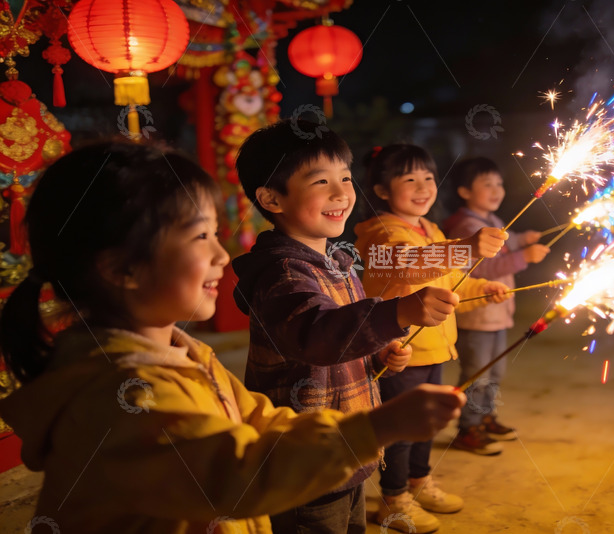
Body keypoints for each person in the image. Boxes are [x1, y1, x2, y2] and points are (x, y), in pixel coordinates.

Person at [0, 142, 466, 534]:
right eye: (198, 237)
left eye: (215, 233)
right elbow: (235, 476)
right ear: (121, 268)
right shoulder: (127, 396)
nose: (222, 256)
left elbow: (257, 418)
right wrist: (375, 427)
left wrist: (366, 415)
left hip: (326, 454)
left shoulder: (185, 352)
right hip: (305, 472)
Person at [233, 120, 461, 534]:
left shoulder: (337, 265)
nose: (341, 193)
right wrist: (399, 312)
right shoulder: (282, 274)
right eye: (321, 181)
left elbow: (345, 334)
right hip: (305, 454)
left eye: (345, 177)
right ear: (271, 198)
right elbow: (317, 334)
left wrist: (379, 355)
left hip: (347, 447)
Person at [353, 144, 510, 533]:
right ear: (382, 190)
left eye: (428, 177)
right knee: (400, 430)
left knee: (427, 424)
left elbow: (449, 281)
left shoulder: (431, 230)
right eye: (409, 179)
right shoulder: (380, 234)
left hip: (435, 349)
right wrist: (466, 247)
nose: (423, 187)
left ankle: (419, 481)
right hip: (400, 352)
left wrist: (482, 289)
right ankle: (393, 499)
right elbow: (407, 264)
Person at [441, 156, 550, 455]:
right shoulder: (467, 225)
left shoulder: (493, 220)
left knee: (495, 372)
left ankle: (485, 417)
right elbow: (483, 268)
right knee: (477, 374)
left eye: (499, 183)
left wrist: (522, 240)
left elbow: (504, 241)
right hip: (477, 316)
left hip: (497, 315)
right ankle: (468, 428)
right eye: (487, 184)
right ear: (464, 191)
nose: (496, 190)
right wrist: (524, 257)